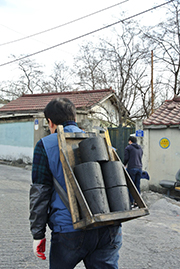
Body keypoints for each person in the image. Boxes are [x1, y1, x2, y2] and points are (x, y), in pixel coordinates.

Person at [29, 97, 122, 269]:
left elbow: (40, 194)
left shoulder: (45, 145)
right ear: (75, 118)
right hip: (108, 227)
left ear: (50, 122)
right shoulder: (103, 143)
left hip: (69, 230)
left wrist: (38, 234)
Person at [124, 136, 143, 207]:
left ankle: (131, 202)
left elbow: (126, 158)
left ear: (130, 141)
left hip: (132, 168)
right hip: (139, 168)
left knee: (131, 186)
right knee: (137, 185)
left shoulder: (128, 148)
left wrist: (124, 164)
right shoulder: (140, 148)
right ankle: (137, 202)